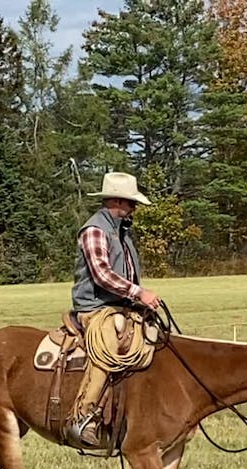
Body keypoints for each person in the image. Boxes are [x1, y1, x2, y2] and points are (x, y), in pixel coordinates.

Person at [66, 172, 163, 447]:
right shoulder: (94, 230)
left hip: (121, 305)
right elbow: (102, 275)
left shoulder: (123, 232)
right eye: (132, 204)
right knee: (108, 345)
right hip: (95, 307)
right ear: (118, 201)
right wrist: (138, 292)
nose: (134, 210)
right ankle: (82, 417)